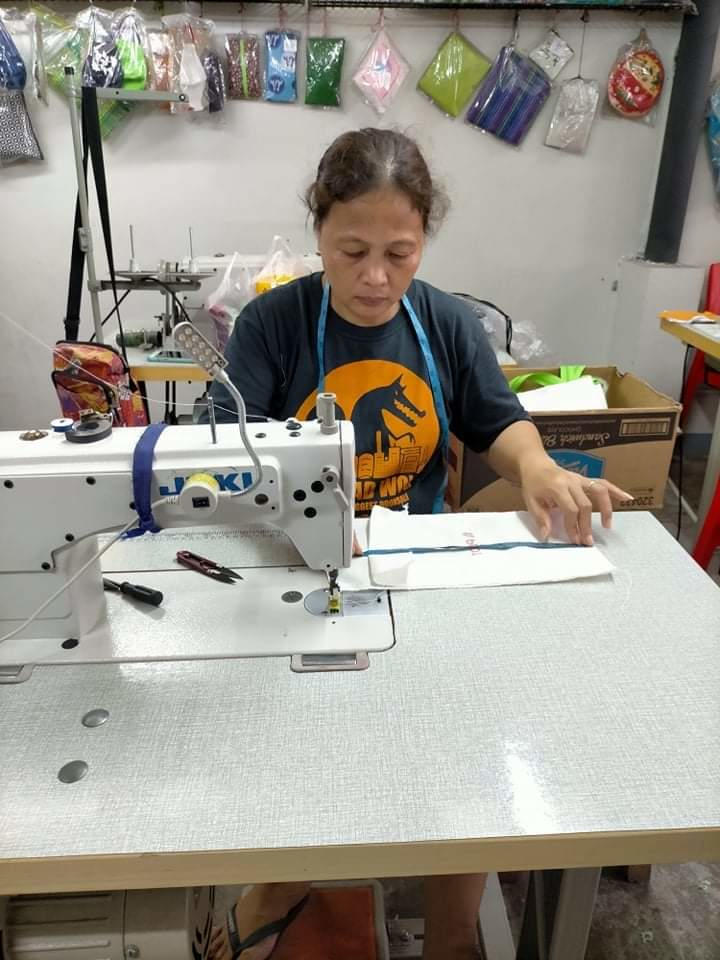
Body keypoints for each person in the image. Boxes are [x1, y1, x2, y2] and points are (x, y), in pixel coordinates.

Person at [208, 128, 629, 960]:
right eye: (351, 250)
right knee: (307, 745)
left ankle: (451, 936)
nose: (375, 277)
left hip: (421, 566)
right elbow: (224, 458)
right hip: (302, 569)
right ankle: (287, 884)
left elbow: (495, 418)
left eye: (399, 253)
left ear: (424, 238)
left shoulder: (445, 321)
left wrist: (537, 469)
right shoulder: (272, 325)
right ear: (317, 234)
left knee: (462, 739)